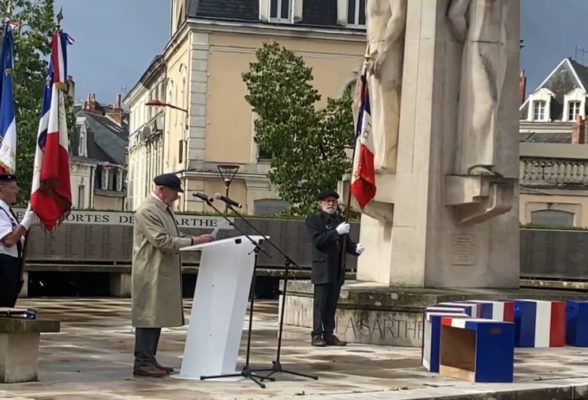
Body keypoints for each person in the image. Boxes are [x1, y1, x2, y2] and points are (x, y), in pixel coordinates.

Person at [131, 173, 214, 377]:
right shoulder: (148, 210)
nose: (177, 196)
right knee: (148, 316)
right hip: (150, 272)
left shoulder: (163, 210)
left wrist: (195, 239)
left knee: (156, 315)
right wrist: (194, 242)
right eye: (175, 192)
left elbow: (173, 237)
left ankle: (150, 359)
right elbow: (162, 241)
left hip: (160, 271)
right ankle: (142, 361)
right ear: (162, 190)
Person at [448, 0, 510, 176]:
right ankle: (475, 162)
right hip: (479, 45)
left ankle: (487, 162)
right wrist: (469, 40)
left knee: (494, 105)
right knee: (485, 103)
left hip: (499, 47)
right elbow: (454, 15)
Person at [305, 189, 364, 347]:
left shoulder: (339, 220)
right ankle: (317, 334)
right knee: (320, 304)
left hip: (337, 268)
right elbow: (318, 241)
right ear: (321, 203)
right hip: (323, 267)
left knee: (331, 304)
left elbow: (345, 243)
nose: (331, 204)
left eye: (333, 201)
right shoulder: (314, 220)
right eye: (328, 201)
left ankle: (329, 334)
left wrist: (355, 248)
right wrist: (336, 232)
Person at [364, 0, 408, 173]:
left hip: (387, 47)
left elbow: (398, 16)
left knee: (387, 102)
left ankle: (387, 158)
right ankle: (376, 154)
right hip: (372, 48)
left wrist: (384, 49)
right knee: (371, 104)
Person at [0, 174, 37, 307]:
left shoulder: (6, 211)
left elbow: (18, 236)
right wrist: (26, 220)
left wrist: (28, 220)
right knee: (3, 307)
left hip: (10, 264)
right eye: (13, 187)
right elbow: (9, 240)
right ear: (1, 189)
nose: (16, 191)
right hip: (3, 264)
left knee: (8, 305)